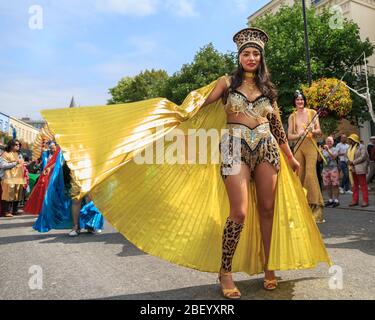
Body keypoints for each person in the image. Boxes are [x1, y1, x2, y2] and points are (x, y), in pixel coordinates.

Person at [40, 27, 332, 299]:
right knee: (240, 212)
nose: (251, 58)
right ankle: (226, 271)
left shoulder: (269, 89)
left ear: (261, 57)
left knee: (268, 209)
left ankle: (269, 266)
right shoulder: (226, 83)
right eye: (246, 53)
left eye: (255, 53)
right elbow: (199, 103)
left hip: (267, 148)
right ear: (239, 56)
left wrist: (290, 156)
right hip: (233, 148)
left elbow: (276, 123)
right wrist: (178, 115)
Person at [288, 91, 325, 223]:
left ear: (305, 101)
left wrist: (312, 131)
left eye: (302, 99)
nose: (300, 102)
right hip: (298, 146)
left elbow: (319, 131)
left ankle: (315, 207)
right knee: (300, 174)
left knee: (310, 174)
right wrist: (299, 134)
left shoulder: (312, 113)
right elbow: (289, 136)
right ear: (295, 102)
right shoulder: (292, 117)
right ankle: (301, 207)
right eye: (297, 100)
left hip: (311, 146)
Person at [0, 139, 25, 217]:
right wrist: (15, 163)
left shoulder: (19, 154)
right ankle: (7, 211)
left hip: (18, 178)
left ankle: (15, 210)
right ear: (11, 145)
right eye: (16, 145)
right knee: (8, 194)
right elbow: (2, 166)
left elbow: (20, 165)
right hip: (8, 178)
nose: (18, 146)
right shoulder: (5, 154)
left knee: (17, 194)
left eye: (19, 145)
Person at [347, 134, 370, 207]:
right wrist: (348, 161)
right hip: (352, 169)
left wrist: (353, 162)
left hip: (360, 168)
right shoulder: (349, 147)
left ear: (354, 140)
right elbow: (347, 156)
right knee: (354, 185)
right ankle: (355, 200)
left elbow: (363, 157)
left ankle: (365, 201)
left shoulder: (362, 147)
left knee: (363, 185)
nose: (349, 140)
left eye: (350, 139)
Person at [321, 136, 340, 207]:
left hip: (333, 169)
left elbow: (334, 157)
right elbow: (319, 160)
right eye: (327, 141)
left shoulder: (335, 149)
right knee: (327, 185)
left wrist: (328, 150)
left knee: (335, 185)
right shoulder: (323, 150)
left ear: (333, 142)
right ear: (325, 142)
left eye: (330, 141)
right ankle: (330, 199)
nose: (329, 142)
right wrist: (319, 151)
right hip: (325, 169)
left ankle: (336, 200)